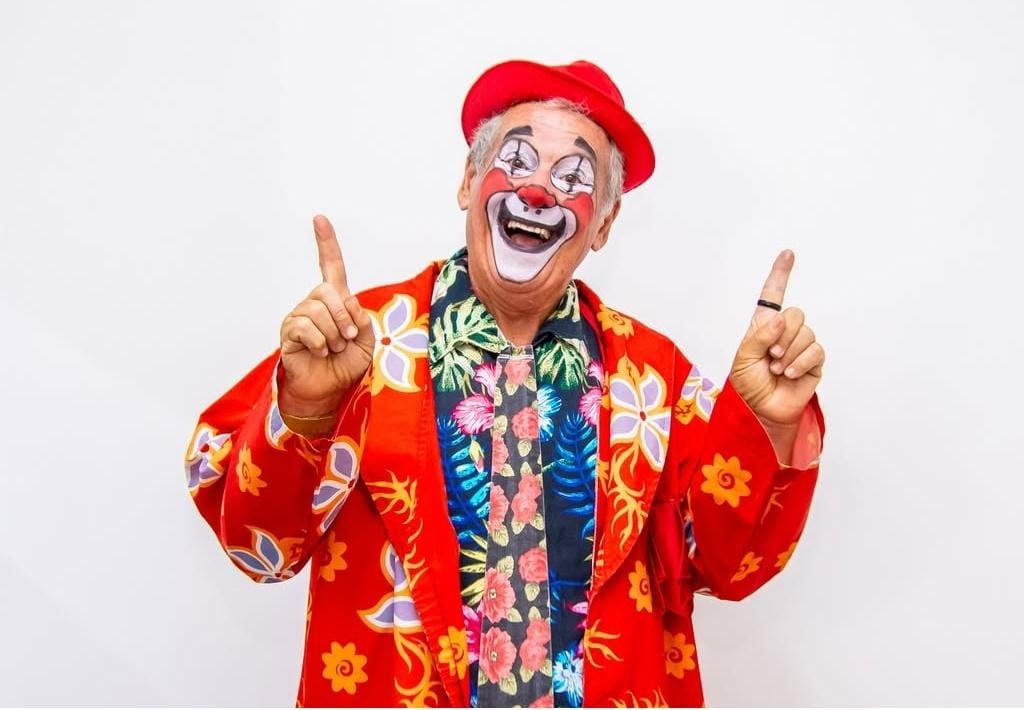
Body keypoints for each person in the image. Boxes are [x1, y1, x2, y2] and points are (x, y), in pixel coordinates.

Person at [186, 59, 826, 708]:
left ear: (604, 226)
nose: (539, 192)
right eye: (517, 162)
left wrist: (764, 425)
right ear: (468, 182)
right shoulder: (360, 341)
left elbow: (727, 569)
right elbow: (258, 550)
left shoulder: (653, 378)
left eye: (573, 179)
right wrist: (307, 405)